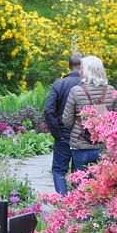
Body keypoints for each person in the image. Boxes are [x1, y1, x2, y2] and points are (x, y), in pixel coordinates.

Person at [62, 55, 116, 173]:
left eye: (81, 68)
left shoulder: (76, 91)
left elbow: (67, 121)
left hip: (81, 145)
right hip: (105, 145)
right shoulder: (111, 91)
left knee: (82, 183)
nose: (79, 71)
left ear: (87, 71)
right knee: (102, 183)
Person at [44, 52, 83, 195]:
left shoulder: (59, 84)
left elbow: (48, 110)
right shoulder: (87, 85)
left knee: (60, 170)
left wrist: (57, 133)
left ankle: (63, 202)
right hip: (82, 137)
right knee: (80, 172)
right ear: (82, 66)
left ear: (69, 65)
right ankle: (78, 204)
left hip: (64, 135)